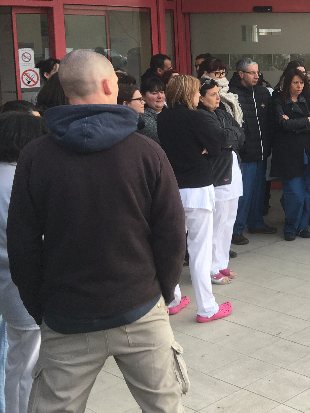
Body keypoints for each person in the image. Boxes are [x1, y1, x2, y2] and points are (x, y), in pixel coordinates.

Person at [7, 50, 188, 409]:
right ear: (109, 85)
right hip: (140, 307)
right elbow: (171, 233)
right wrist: (163, 292)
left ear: (65, 89)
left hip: (66, 315)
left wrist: (41, 308)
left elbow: (21, 244)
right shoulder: (147, 152)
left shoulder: (34, 156)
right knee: (165, 407)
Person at [158, 75, 232, 320]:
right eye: (197, 91)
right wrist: (203, 148)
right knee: (200, 250)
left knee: (174, 248)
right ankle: (207, 307)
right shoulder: (196, 116)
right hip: (198, 188)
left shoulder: (163, 117)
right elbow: (217, 146)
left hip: (173, 188)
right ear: (188, 92)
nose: (199, 95)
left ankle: (173, 299)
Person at [0, 113, 46, 413]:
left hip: (10, 282)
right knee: (27, 362)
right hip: (21, 283)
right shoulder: (16, 180)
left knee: (19, 357)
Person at [198, 79, 245, 285]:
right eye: (212, 94)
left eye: (218, 93)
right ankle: (210, 268)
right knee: (216, 223)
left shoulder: (222, 112)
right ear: (201, 98)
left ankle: (221, 262)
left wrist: (228, 139)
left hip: (232, 171)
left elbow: (240, 134)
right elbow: (220, 138)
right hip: (218, 174)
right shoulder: (201, 116)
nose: (218, 98)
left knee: (228, 221)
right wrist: (227, 139)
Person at [228, 58, 276, 245]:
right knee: (243, 193)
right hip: (245, 154)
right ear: (241, 74)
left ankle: (256, 223)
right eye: (252, 73)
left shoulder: (263, 92)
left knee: (258, 191)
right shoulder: (232, 94)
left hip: (262, 151)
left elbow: (270, 120)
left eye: (258, 72)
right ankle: (236, 230)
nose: (257, 76)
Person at [272, 69, 310, 241]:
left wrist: (296, 126)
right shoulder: (279, 101)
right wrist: (306, 120)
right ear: (288, 83)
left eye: (301, 82)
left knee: (309, 194)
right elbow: (282, 124)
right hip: (290, 154)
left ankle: (302, 227)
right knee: (295, 194)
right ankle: (290, 227)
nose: (299, 86)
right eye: (295, 82)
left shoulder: (309, 100)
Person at [198, 57, 244, 126]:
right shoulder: (200, 89)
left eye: (223, 72)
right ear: (206, 73)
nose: (221, 76)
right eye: (217, 73)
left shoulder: (228, 91)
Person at [136, 76, 165, 145]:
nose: (160, 96)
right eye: (154, 93)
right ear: (143, 96)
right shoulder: (144, 119)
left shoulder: (170, 112)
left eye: (162, 92)